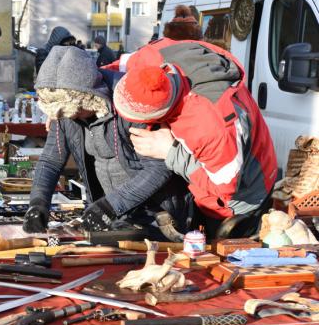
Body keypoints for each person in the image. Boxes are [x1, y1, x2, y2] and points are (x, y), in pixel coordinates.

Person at [113, 39, 277, 237]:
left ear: (159, 115)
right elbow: (115, 66)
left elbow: (225, 189)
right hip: (210, 169)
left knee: (223, 254)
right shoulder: (152, 58)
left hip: (239, 198)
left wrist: (170, 151)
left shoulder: (210, 126)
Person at [23, 46, 191, 235]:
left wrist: (110, 206)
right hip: (116, 215)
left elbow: (159, 167)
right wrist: (38, 204)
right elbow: (51, 161)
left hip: (158, 215)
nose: (68, 117)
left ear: (88, 97)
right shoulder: (64, 111)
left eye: (73, 110)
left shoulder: (131, 101)